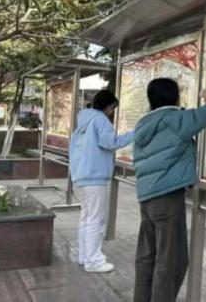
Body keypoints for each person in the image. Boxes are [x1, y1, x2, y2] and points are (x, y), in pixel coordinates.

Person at [133, 79, 206, 302]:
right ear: (173, 97)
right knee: (170, 260)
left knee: (147, 257)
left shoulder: (144, 123)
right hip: (167, 199)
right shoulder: (175, 119)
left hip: (146, 199)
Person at [69, 89, 134, 274]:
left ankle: (84, 256)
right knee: (96, 220)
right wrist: (134, 134)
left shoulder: (84, 120)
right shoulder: (100, 120)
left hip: (82, 176)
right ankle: (94, 261)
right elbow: (110, 143)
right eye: (112, 108)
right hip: (95, 177)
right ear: (108, 106)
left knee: (86, 218)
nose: (112, 112)